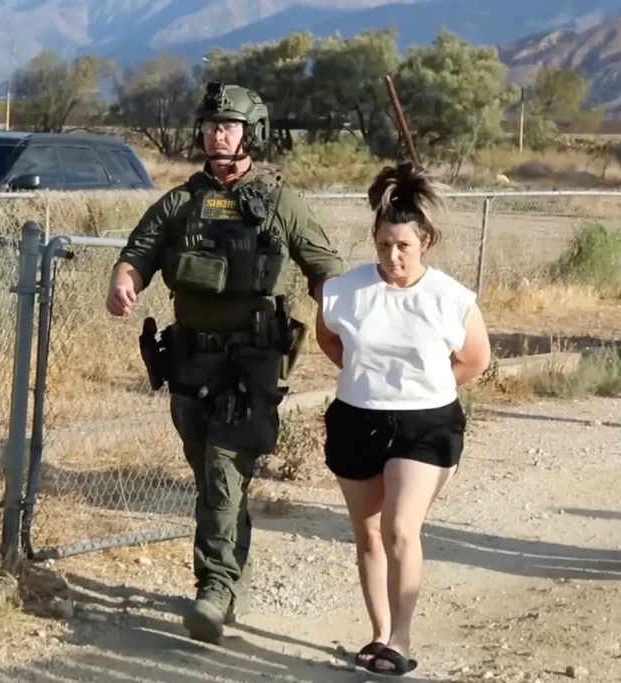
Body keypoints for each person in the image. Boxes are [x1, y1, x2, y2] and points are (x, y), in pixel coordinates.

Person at [105, 81, 346, 643]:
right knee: (211, 473)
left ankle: (214, 588)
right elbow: (138, 252)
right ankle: (230, 577)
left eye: (230, 125)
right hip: (190, 360)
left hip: (253, 361)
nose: (219, 132)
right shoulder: (180, 201)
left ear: (251, 133)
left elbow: (325, 268)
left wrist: (340, 318)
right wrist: (123, 283)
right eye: (212, 124)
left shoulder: (282, 202)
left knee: (222, 468)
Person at [315, 162, 491, 676]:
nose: (392, 256)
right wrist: (365, 377)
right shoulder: (344, 291)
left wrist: (425, 387)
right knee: (367, 533)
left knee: (399, 528)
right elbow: (328, 339)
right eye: (384, 244)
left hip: (427, 426)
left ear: (425, 243)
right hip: (356, 419)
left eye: (404, 246)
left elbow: (476, 360)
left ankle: (402, 640)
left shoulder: (450, 299)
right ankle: (377, 634)